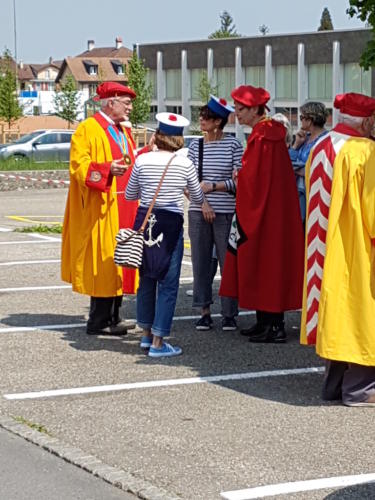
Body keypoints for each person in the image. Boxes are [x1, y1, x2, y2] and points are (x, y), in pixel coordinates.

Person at [300, 92, 375, 407]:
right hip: (355, 246)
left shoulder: (320, 147)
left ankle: (333, 386)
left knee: (334, 314)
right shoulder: (365, 152)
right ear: (368, 120)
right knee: (360, 312)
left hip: (322, 247)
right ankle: (360, 389)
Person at [61, 82, 150, 336]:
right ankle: (98, 320)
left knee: (123, 258)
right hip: (101, 207)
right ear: (110, 102)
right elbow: (79, 166)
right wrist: (106, 169)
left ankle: (114, 316)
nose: (131, 107)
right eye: (127, 102)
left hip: (124, 205)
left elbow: (128, 159)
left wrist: (147, 151)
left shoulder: (121, 130)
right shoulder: (87, 129)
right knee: (104, 261)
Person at [220, 85, 304, 343]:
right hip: (270, 211)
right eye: (236, 108)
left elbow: (258, 179)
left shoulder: (265, 136)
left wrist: (241, 176)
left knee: (268, 266)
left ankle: (274, 325)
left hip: (267, 215)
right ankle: (263, 321)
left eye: (241, 109)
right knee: (260, 265)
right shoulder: (265, 133)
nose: (237, 114)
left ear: (256, 109)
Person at [126, 113, 204, 358]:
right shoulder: (185, 164)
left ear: (156, 135)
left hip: (145, 220)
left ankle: (146, 335)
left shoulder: (142, 161)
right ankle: (160, 341)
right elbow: (198, 198)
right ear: (179, 139)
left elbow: (130, 194)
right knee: (168, 284)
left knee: (146, 279)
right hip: (170, 224)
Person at [187, 95, 243, 331]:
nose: (201, 120)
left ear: (218, 122)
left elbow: (239, 182)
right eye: (201, 116)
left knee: (228, 262)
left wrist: (214, 186)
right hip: (199, 211)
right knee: (200, 262)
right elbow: (188, 183)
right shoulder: (195, 146)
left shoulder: (234, 145)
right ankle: (204, 311)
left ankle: (229, 313)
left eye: (206, 117)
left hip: (226, 212)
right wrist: (203, 203)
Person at [288, 102, 329, 225]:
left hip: (314, 194)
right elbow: (289, 162)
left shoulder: (325, 140)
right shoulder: (304, 139)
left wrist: (301, 169)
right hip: (300, 193)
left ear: (310, 120)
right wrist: (296, 145)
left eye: (302, 118)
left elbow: (321, 167)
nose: (300, 121)